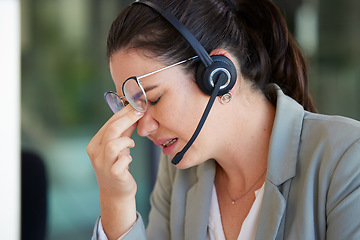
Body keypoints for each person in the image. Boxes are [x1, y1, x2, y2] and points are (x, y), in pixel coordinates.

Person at [87, 0, 360, 239]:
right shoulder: (178, 173)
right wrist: (116, 203)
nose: (143, 128)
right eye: (130, 105)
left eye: (154, 99)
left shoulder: (346, 159)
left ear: (219, 75)